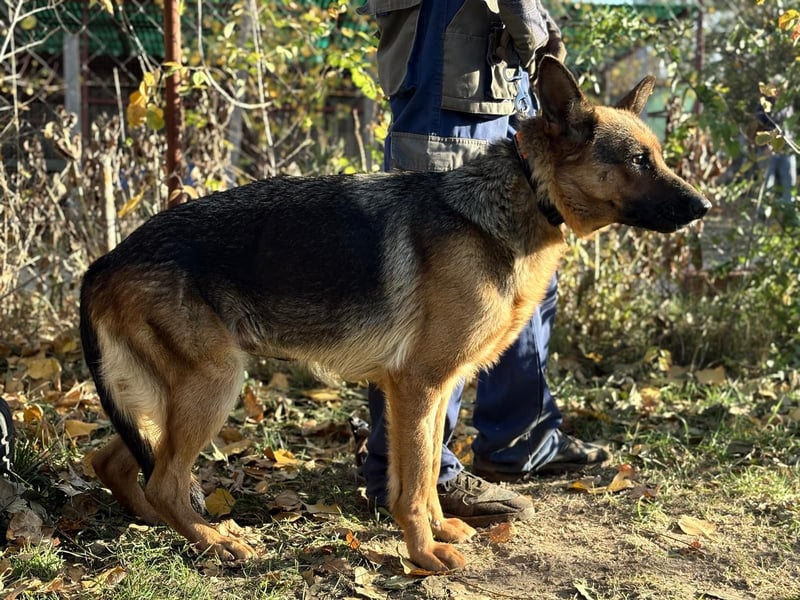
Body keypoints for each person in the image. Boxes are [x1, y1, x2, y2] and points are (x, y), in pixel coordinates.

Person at [356, 0, 611, 525]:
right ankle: (414, 476)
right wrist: (536, 37)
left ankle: (520, 438)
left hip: (491, 67)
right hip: (451, 62)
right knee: (448, 299)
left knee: (529, 265)